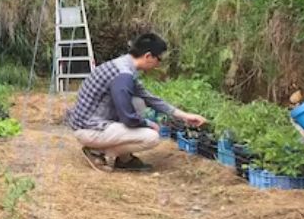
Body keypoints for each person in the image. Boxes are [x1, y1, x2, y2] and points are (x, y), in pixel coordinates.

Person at [66, 32, 207, 171]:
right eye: (159, 59)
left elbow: (149, 98)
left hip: (89, 122)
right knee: (151, 137)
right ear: (148, 56)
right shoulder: (123, 75)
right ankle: (98, 152)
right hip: (89, 128)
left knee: (138, 102)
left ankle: (123, 158)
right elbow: (128, 117)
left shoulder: (123, 65)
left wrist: (185, 116)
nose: (158, 65)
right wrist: (148, 123)